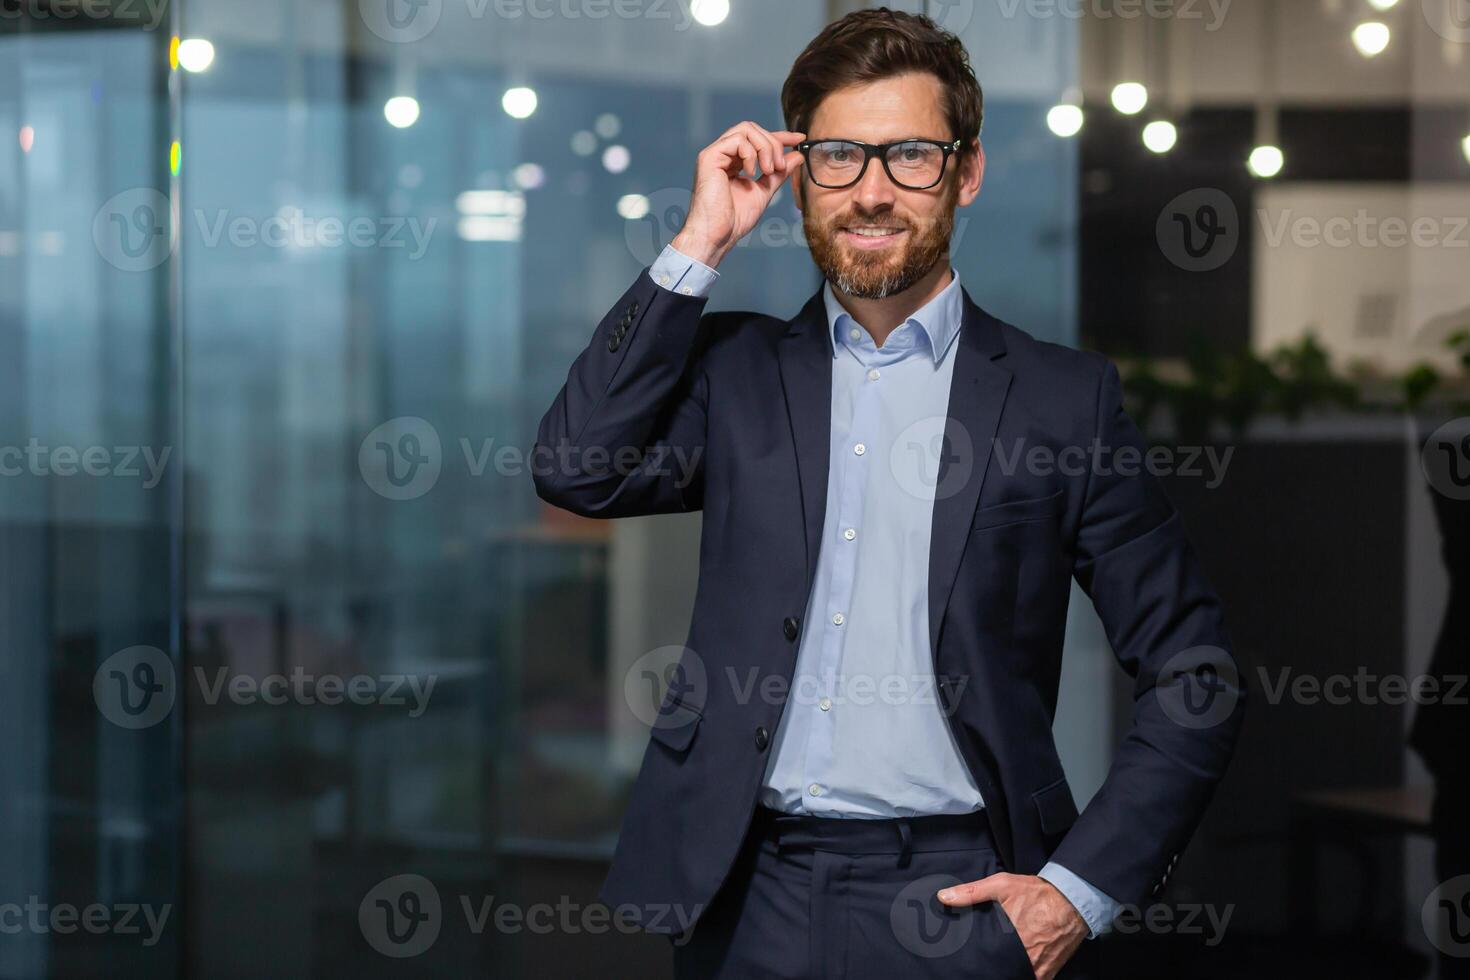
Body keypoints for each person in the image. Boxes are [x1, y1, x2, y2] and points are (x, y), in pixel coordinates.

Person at [533, 8, 1245, 978]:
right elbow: (578, 466)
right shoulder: (738, 372)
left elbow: (1194, 671)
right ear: (797, 174)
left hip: (966, 894)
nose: (872, 192)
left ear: (967, 170)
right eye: (839, 158)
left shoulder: (1059, 400)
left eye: (909, 154)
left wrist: (1076, 891)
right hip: (748, 894)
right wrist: (699, 241)